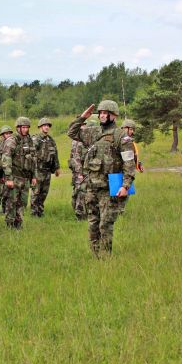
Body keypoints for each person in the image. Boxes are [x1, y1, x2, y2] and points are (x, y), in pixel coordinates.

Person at [67, 101, 136, 259]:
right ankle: (95, 256)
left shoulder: (121, 137)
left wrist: (125, 186)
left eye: (106, 113)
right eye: (101, 113)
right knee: (93, 223)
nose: (102, 115)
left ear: (114, 115)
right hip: (92, 187)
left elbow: (129, 164)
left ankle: (105, 257)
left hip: (109, 188)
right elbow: (71, 132)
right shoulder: (93, 132)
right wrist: (82, 117)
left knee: (105, 224)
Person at [2, 117, 37, 229]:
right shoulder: (12, 141)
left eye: (27, 127)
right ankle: (9, 224)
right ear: (18, 128)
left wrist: (34, 176)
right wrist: (8, 178)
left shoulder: (29, 141)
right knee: (12, 201)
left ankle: (18, 224)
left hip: (26, 178)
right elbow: (6, 159)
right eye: (23, 127)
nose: (26, 129)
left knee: (22, 202)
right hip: (15, 176)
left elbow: (33, 159)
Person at [31, 118, 60, 217]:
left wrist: (57, 168)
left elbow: (55, 155)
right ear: (40, 127)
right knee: (36, 192)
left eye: (48, 126)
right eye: (44, 125)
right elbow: (32, 154)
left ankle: (40, 211)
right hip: (38, 170)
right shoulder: (36, 139)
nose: (46, 127)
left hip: (47, 171)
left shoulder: (51, 140)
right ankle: (34, 212)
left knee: (44, 192)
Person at [0, 125, 13, 216]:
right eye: (6, 133)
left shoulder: (13, 143)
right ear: (2, 134)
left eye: (9, 133)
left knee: (8, 191)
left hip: (10, 170)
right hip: (0, 171)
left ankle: (5, 208)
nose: (8, 135)